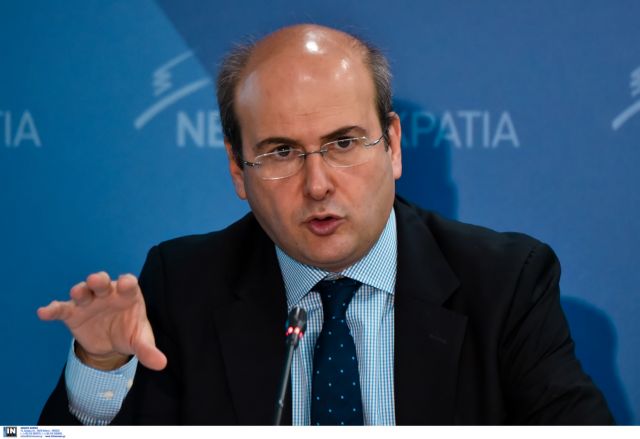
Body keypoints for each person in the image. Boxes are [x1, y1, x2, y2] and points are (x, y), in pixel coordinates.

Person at [37, 23, 613, 425]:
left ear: (392, 146)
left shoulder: (506, 282)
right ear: (238, 169)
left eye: (343, 143)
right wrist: (101, 366)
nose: (317, 185)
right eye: (281, 152)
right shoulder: (185, 285)